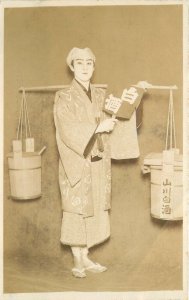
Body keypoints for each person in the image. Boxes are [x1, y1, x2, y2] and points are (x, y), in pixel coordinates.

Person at [53, 47, 149, 278]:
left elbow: (121, 118)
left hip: (97, 163)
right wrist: (97, 127)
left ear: (94, 67)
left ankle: (85, 256)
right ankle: (77, 260)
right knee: (77, 210)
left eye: (89, 63)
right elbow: (66, 129)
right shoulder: (63, 96)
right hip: (76, 162)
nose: (85, 68)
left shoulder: (100, 96)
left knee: (94, 209)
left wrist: (136, 95)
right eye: (80, 63)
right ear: (72, 67)